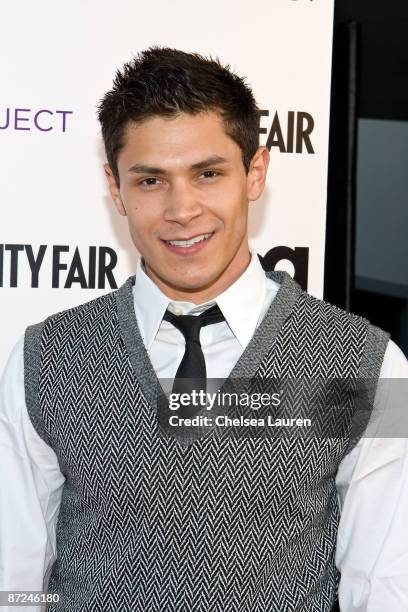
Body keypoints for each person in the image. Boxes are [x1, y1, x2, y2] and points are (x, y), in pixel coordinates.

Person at [0, 46, 407, 612]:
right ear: (116, 189)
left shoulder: (365, 364)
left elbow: (386, 586)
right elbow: (12, 574)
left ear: (255, 173)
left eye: (208, 173)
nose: (182, 209)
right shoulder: (45, 359)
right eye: (150, 181)